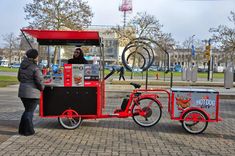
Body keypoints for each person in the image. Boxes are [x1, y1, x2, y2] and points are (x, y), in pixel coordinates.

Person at [18, 49, 44, 136]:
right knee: (29, 112)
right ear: (35, 57)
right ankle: (28, 131)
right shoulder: (35, 67)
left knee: (27, 111)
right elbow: (39, 81)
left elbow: (19, 78)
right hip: (32, 93)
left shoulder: (22, 66)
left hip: (22, 92)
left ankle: (22, 130)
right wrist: (42, 88)